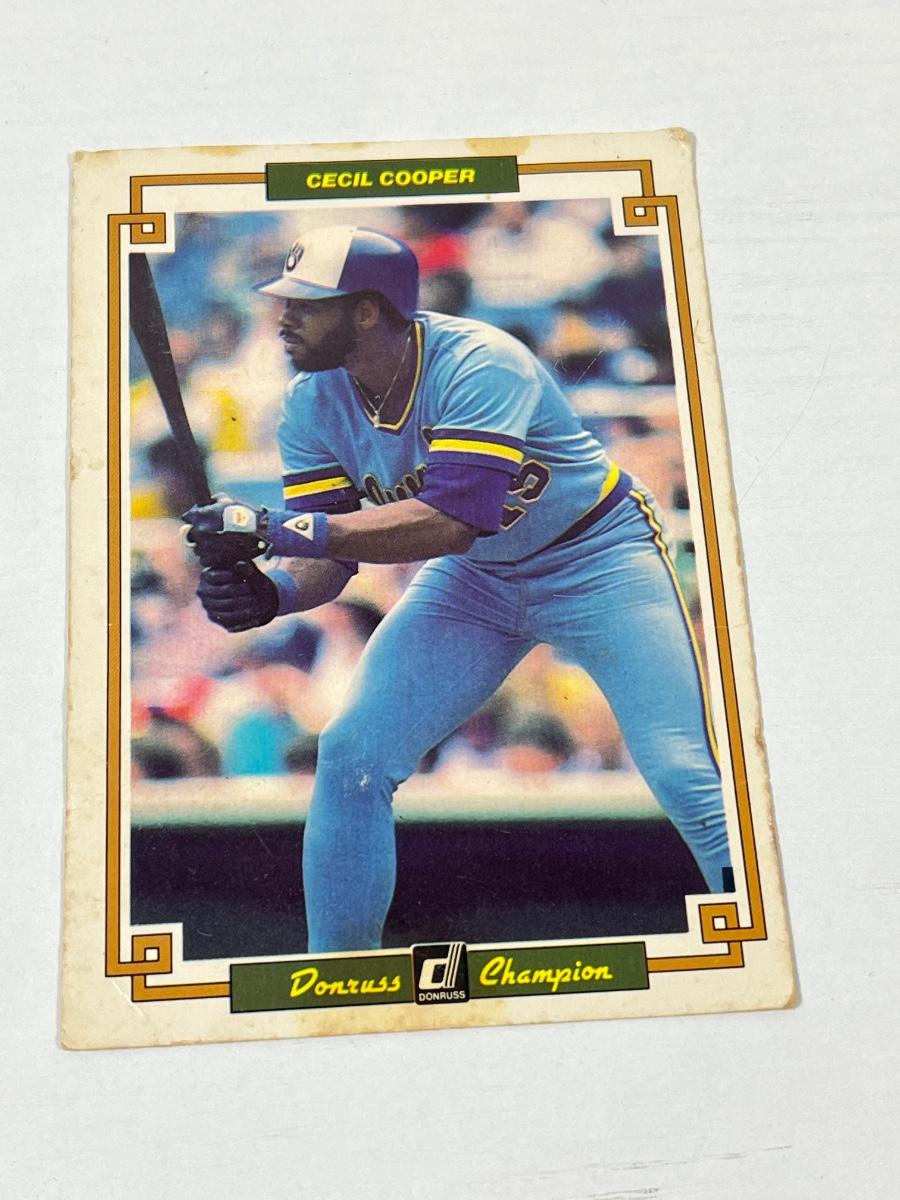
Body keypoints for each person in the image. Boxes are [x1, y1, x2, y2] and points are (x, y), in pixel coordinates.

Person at [183, 224, 731, 953]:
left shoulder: (479, 361)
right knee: (352, 754)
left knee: (682, 771)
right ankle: (337, 971)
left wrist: (276, 531)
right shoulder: (311, 401)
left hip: (596, 557)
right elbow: (330, 554)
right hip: (477, 583)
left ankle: (760, 931)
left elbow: (453, 519)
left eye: (305, 304)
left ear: (367, 311)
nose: (283, 318)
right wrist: (274, 595)